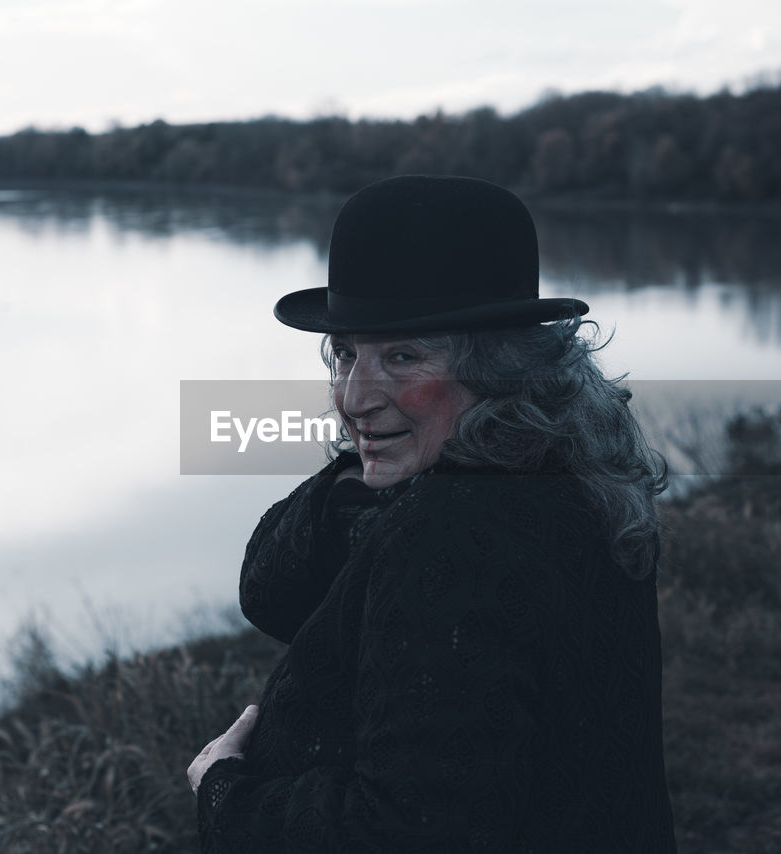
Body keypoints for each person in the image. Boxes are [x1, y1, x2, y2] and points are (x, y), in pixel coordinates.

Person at [187, 175, 677, 852]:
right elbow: (271, 591)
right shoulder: (574, 478)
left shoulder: (452, 536)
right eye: (346, 354)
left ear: (500, 368)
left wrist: (224, 794)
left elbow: (401, 832)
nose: (354, 396)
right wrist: (372, 465)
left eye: (403, 356)